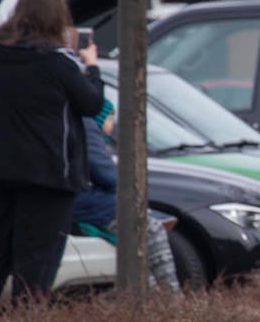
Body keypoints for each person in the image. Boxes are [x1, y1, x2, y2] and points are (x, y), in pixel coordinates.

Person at [0, 0, 105, 306]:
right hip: (48, 174)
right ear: (55, 19)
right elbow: (91, 104)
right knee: (36, 258)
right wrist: (91, 66)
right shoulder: (57, 62)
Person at [71, 102, 180, 290]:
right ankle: (169, 298)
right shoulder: (87, 127)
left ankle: (157, 298)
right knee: (150, 231)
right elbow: (108, 176)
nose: (112, 124)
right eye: (110, 118)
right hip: (89, 207)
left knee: (141, 244)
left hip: (81, 204)